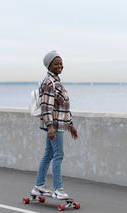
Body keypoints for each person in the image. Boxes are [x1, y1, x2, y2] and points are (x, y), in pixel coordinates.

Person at [31, 51, 78, 199]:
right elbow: (46, 107)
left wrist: (71, 125)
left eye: (61, 63)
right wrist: (50, 126)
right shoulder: (49, 83)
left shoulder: (56, 82)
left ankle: (39, 186)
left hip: (60, 124)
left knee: (49, 154)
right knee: (58, 155)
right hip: (55, 126)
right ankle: (58, 189)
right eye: (56, 63)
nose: (60, 66)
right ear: (49, 65)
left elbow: (63, 107)